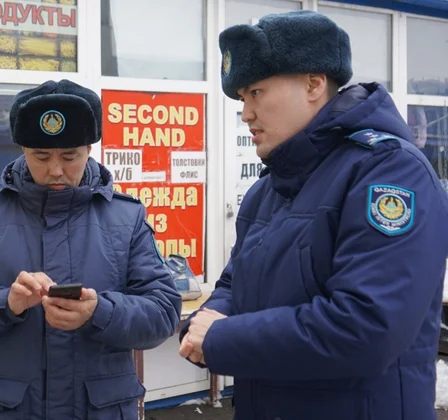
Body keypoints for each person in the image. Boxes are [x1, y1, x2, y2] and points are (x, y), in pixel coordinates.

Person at [178, 10, 448, 420]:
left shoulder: (389, 173)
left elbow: (367, 328)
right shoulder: (268, 188)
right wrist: (204, 323)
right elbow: (236, 283)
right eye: (241, 98)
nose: (246, 113)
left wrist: (222, 338)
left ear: (313, 83)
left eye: (256, 92)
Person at [0, 80, 182, 419]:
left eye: (70, 156)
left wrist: (100, 312)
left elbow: (163, 312)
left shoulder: (125, 217)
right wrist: (4, 303)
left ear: (89, 149)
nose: (55, 169)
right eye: (41, 156)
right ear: (22, 149)